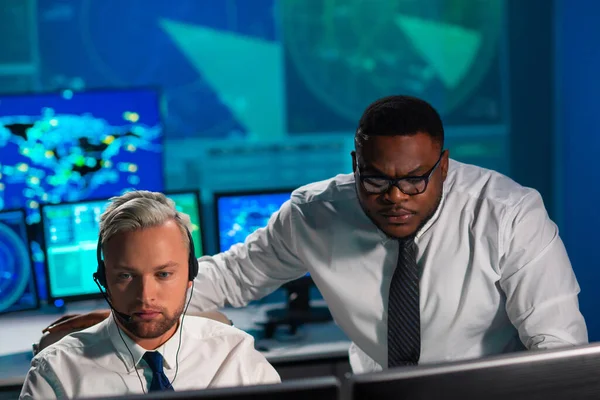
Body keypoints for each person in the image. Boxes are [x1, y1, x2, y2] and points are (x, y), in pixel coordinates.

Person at [45, 95, 587, 374]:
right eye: (375, 179)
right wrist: (131, 310)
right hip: (377, 391)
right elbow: (229, 277)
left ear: (444, 166)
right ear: (355, 164)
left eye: (415, 180)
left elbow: (560, 350)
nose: (395, 196)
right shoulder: (314, 213)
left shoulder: (511, 215)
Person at [20, 192, 280, 399]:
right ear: (103, 279)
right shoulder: (55, 372)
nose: (145, 296)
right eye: (125, 276)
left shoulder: (235, 356)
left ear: (191, 274)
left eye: (164, 274)